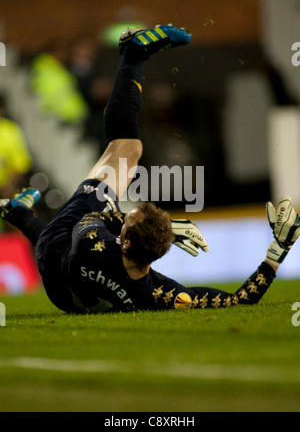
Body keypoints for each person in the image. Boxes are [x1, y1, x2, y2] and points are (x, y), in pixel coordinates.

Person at [1, 24, 300, 314]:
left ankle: (134, 52)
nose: (126, 214)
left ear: (125, 241)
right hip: (65, 296)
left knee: (127, 151)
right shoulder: (157, 292)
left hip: (57, 252)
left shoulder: (92, 246)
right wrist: (277, 251)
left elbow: (92, 218)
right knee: (56, 230)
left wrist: (170, 228)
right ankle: (18, 212)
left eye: (129, 221)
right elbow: (239, 300)